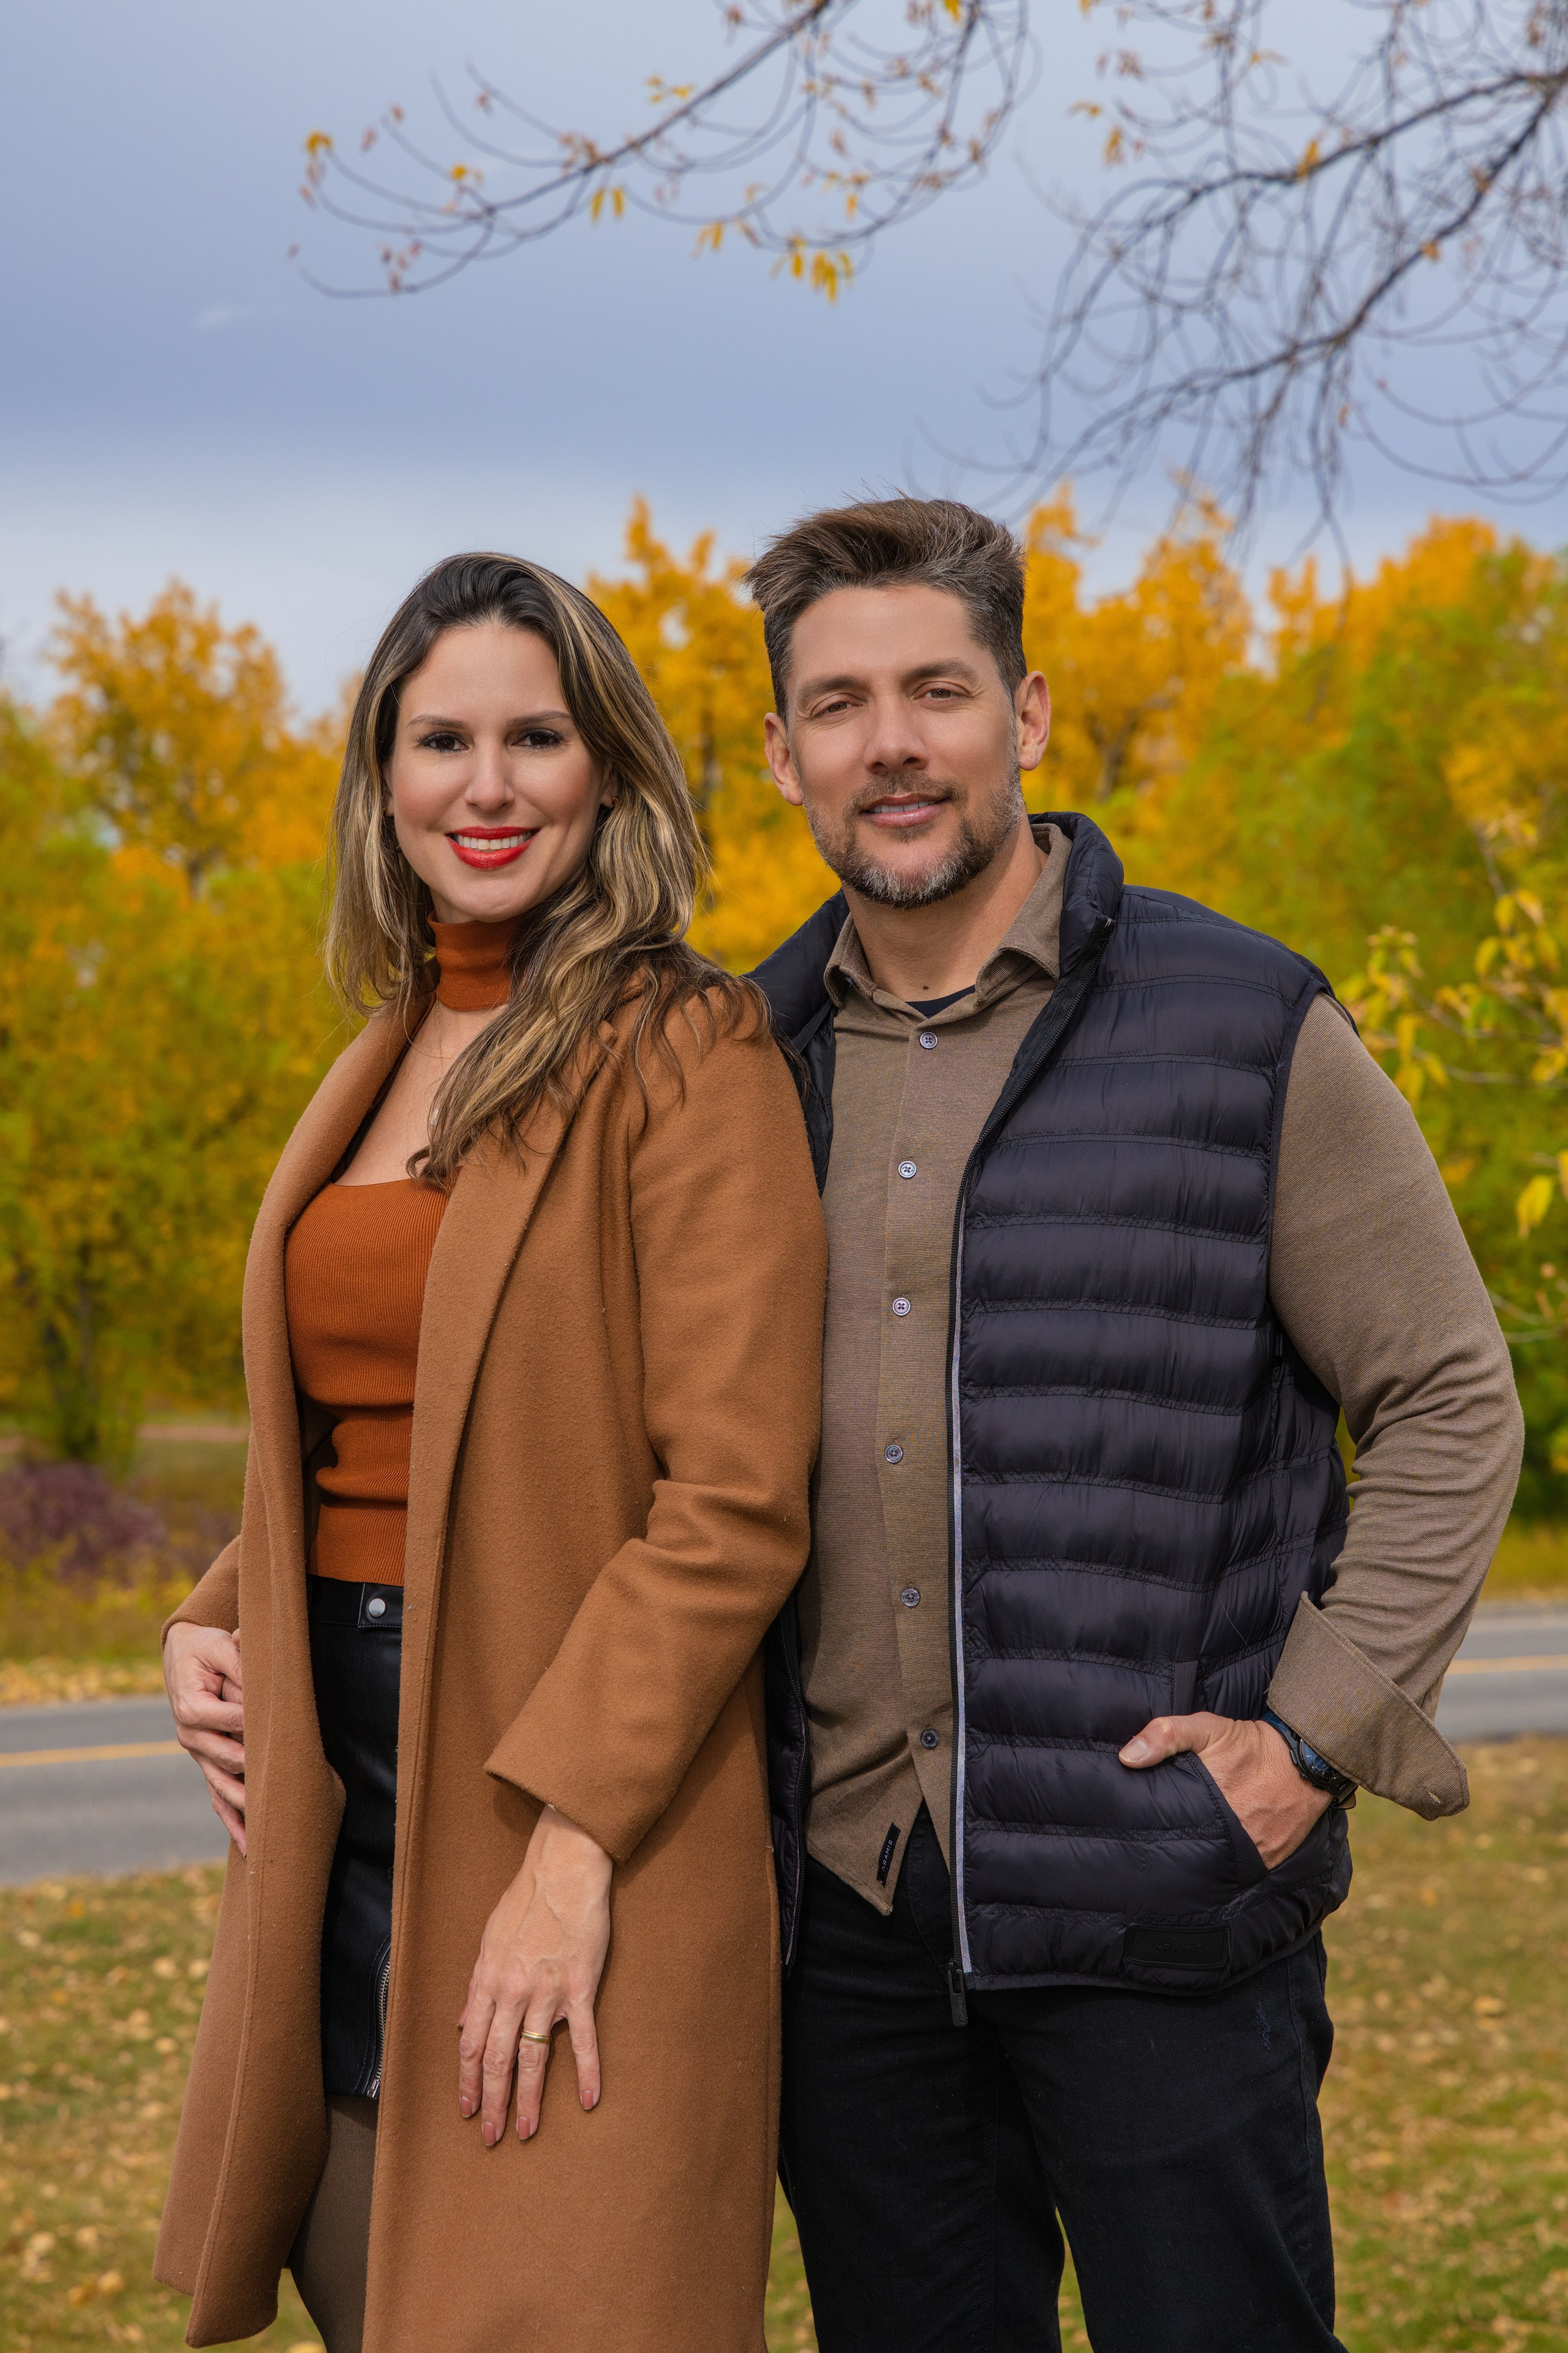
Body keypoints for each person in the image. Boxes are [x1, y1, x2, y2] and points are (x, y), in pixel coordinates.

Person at [746, 497, 1525, 2353]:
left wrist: (1305, 1740)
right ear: (783, 755)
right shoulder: (736, 1058)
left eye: (936, 688)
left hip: (1164, 1898)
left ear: (1025, 713)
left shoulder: (1240, 1021)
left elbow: (1448, 1392)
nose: (893, 743)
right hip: (847, 1925)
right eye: (840, 704)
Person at [156, 553, 826, 2353]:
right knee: (371, 2279)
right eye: (441, 737)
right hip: (340, 1795)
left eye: (537, 734)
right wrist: (212, 1609)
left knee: (564, 2299)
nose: (490, 781)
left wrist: (574, 1844)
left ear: (608, 768)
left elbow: (739, 1498)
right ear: (383, 779)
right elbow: (375, 1409)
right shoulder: (382, 1048)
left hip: (561, 1782)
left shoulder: (686, 1046)